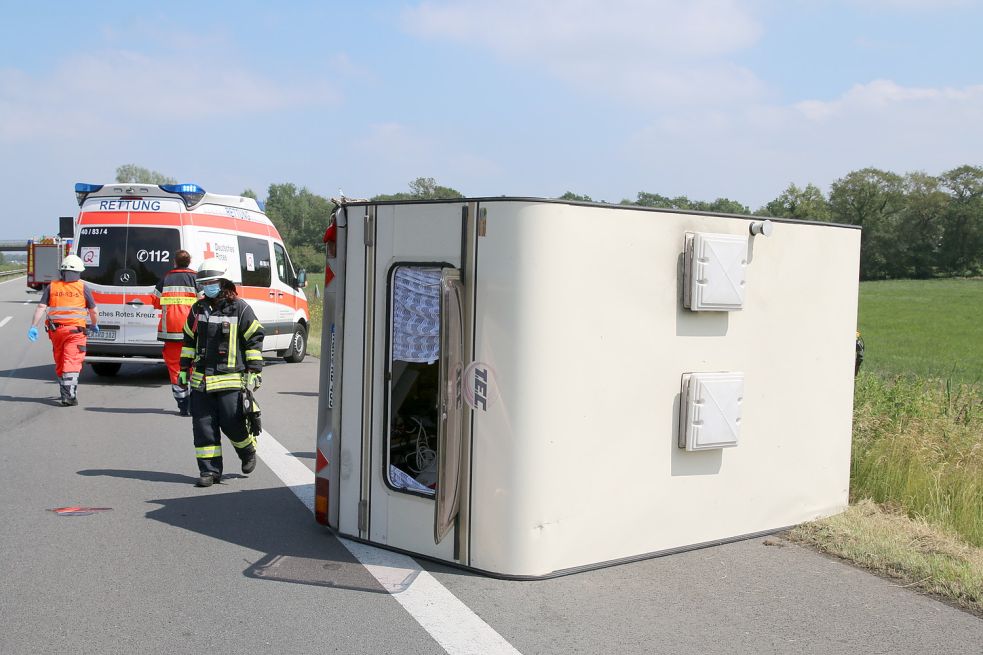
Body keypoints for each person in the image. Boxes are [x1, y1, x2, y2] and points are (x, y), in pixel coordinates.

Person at [180, 257, 265, 487]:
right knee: (203, 427)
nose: (208, 287)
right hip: (201, 381)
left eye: (213, 282)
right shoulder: (197, 309)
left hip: (230, 379)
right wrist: (183, 368)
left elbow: (254, 339)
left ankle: (247, 451)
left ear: (225, 282)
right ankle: (209, 471)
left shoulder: (241, 308)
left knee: (232, 422)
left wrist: (254, 370)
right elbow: (189, 340)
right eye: (204, 283)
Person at [26, 254, 99, 406]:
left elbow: (41, 307)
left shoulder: (52, 286)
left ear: (62, 271)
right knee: (71, 361)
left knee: (60, 360)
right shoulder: (82, 287)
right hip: (76, 332)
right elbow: (93, 310)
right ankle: (69, 396)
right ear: (79, 272)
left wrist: (34, 326)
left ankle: (65, 388)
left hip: (56, 332)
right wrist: (94, 323)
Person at [151, 250, 198, 416]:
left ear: (175, 262)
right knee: (193, 366)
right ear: (189, 261)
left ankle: (183, 405)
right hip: (192, 331)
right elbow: (204, 303)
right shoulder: (196, 278)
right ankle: (195, 403)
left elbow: (155, 302)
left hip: (170, 330)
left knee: (175, 368)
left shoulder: (165, 279)